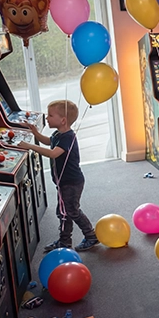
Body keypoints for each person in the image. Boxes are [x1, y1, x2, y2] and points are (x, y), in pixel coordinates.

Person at [19, 100, 98, 252]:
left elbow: (52, 153)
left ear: (63, 120)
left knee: (71, 211)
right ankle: (65, 241)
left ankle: (91, 236)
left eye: (50, 115)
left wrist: (29, 146)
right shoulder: (58, 134)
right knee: (65, 212)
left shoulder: (68, 137)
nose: (47, 118)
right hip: (64, 182)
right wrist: (35, 132)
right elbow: (49, 142)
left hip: (71, 182)